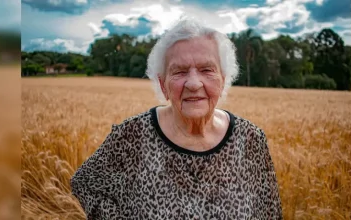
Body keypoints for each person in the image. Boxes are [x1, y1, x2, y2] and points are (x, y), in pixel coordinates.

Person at [70, 18, 283, 219]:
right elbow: (86, 184)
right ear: (163, 86)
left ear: (223, 80)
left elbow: (269, 211)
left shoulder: (251, 139)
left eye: (206, 70)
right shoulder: (133, 135)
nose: (193, 83)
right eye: (180, 72)